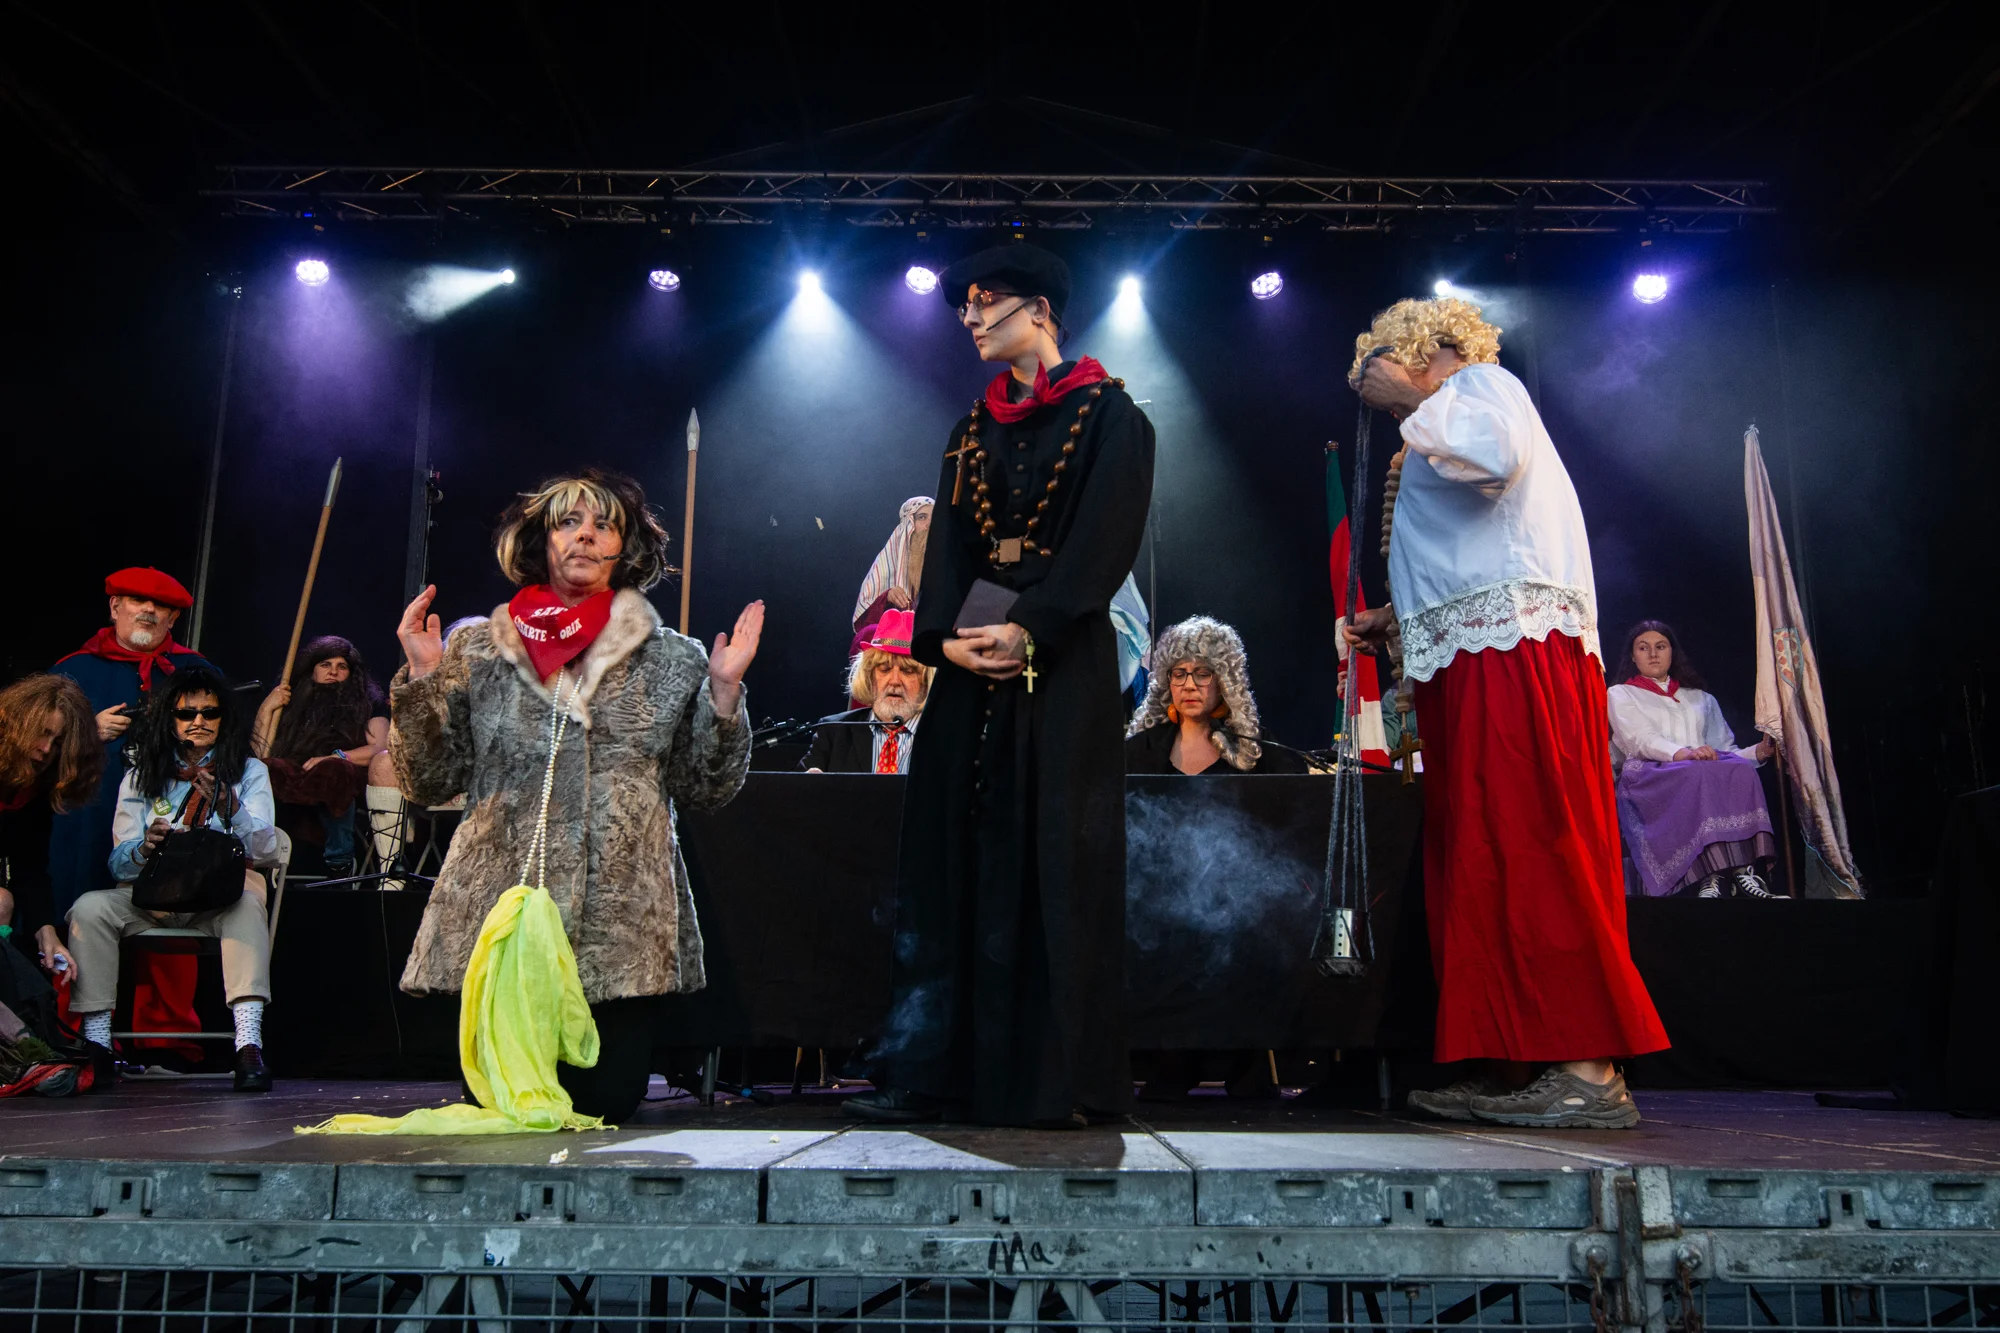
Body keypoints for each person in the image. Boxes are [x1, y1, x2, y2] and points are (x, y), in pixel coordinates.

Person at [846, 242, 1155, 1127]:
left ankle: (1055, 1081)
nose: (971, 317)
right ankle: (937, 1069)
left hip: (1061, 663)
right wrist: (944, 643)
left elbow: (1105, 541)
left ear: (1042, 310)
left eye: (988, 301)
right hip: (972, 664)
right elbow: (946, 550)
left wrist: (1034, 625)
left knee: (1055, 856)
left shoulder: (1114, 418)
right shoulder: (969, 429)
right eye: (967, 304)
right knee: (953, 848)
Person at [1344, 295, 1666, 1129]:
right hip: (1476, 653)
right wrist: (1396, 617)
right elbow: (1474, 547)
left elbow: (1494, 458)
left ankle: (1588, 1068)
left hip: (1516, 650)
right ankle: (1522, 1055)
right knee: (1484, 852)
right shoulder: (1446, 413)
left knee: (1532, 837)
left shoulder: (1481, 385)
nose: (1383, 390)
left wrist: (1409, 398)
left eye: (1389, 364)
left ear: (1425, 349)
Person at [390, 468, 761, 1123]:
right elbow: (429, 779)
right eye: (568, 521)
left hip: (617, 929)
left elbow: (706, 787)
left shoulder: (671, 657)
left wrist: (725, 696)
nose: (585, 535)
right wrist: (422, 677)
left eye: (604, 524)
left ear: (626, 546)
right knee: (505, 1111)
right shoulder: (479, 648)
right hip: (503, 911)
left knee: (604, 1105)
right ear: (542, 539)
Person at [66, 669, 281, 1092]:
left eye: (209, 712)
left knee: (248, 904)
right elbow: (118, 865)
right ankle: (97, 1044)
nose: (198, 721)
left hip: (218, 899)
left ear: (223, 719)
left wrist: (232, 809)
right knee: (89, 908)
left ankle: (248, 1044)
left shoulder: (249, 770)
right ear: (170, 720)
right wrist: (144, 847)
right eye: (186, 713)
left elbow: (268, 849)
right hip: (153, 898)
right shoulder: (142, 774)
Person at [49, 569, 218, 920]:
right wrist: (87, 731)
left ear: (173, 619)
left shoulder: (198, 672)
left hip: (165, 811)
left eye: (160, 605)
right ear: (115, 607)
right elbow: (32, 745)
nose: (149, 610)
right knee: (79, 905)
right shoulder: (72, 670)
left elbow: (227, 740)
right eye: (138, 600)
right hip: (87, 812)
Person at [1607, 620, 1778, 898]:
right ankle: (1707, 875)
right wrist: (1685, 754)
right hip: (1649, 775)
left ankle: (1740, 872)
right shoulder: (1620, 694)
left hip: (1696, 772)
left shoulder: (1701, 699)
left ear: (1672, 653)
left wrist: (1757, 754)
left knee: (1740, 771)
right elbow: (1640, 739)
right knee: (1697, 773)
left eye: (1661, 646)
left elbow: (1723, 751)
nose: (1653, 654)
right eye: (1644, 648)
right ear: (1633, 656)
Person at [252, 636, 390, 876]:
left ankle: (340, 861)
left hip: (343, 775)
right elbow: (259, 753)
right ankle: (266, 857)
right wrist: (267, 707)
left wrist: (336, 757)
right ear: (312, 669)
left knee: (334, 772)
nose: (333, 672)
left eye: (342, 666)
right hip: (298, 774)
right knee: (267, 769)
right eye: (325, 664)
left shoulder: (368, 703)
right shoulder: (293, 703)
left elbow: (380, 748)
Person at [0, 674, 103, 979]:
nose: (46, 749)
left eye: (58, 743)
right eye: (41, 733)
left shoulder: (34, 793)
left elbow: (29, 869)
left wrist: (47, 933)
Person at [1125, 616, 1306, 775]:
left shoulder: (1257, 748)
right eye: (1179, 675)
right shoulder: (1140, 749)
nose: (1189, 686)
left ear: (1224, 683)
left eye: (1202, 674)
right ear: (1167, 683)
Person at [803, 610, 932, 774]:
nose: (894, 681)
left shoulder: (948, 737)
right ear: (869, 676)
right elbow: (792, 788)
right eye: (884, 669)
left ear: (926, 680)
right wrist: (805, 786)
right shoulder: (833, 732)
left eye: (907, 671)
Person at [850, 497, 934, 667]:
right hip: (895, 651)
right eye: (922, 517)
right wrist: (887, 597)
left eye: (934, 518)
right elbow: (863, 624)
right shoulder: (885, 562)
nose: (929, 525)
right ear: (909, 524)